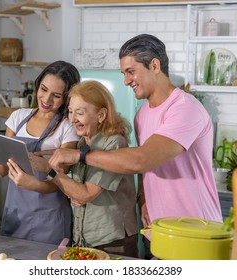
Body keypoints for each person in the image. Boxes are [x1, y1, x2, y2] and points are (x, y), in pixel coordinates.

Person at [44, 34, 222, 258]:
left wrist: (79, 156)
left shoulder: (185, 109)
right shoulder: (143, 114)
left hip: (195, 234)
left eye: (131, 71)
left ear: (154, 65)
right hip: (156, 232)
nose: (126, 81)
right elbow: (143, 170)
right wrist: (143, 199)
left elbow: (142, 159)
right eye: (124, 74)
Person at [8, 80, 139, 258]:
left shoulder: (114, 143)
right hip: (85, 237)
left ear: (101, 115)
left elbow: (84, 194)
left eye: (80, 113)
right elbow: (77, 191)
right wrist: (71, 192)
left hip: (112, 240)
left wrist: (49, 169)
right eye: (70, 111)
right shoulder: (83, 142)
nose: (72, 119)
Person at [0, 60, 80, 245]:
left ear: (67, 97)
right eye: (44, 89)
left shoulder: (68, 127)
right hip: (15, 212)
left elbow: (61, 183)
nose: (47, 100)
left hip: (49, 218)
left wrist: (32, 184)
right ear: (37, 84)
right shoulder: (17, 117)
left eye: (56, 95)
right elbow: (0, 171)